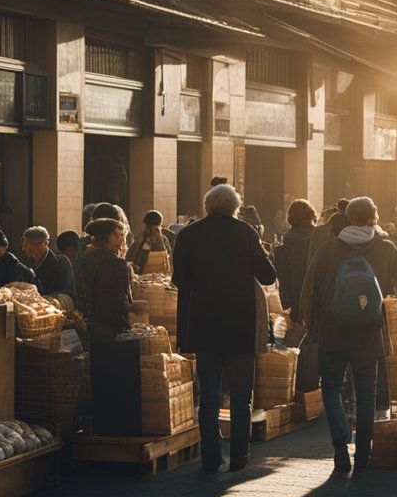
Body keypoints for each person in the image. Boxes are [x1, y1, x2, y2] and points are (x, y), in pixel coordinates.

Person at [299, 196, 397, 475]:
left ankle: (340, 444)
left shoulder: (329, 249)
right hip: (368, 334)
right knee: (366, 395)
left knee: (331, 387)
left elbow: (309, 290)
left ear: (348, 218)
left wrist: (312, 326)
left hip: (332, 332)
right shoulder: (385, 248)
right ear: (374, 217)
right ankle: (364, 454)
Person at [173, 185, 277, 474]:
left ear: (207, 205)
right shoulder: (245, 233)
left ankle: (210, 457)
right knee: (241, 397)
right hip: (239, 325)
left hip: (203, 325)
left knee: (208, 397)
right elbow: (268, 276)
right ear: (235, 207)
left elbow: (179, 278)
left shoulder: (189, 235)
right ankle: (239, 456)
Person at [80, 217, 132, 342]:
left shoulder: (86, 256)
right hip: (112, 325)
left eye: (121, 234)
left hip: (92, 321)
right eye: (116, 234)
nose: (121, 238)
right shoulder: (115, 263)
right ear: (104, 237)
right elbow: (120, 300)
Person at [273, 199, 317, 313]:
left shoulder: (286, 241)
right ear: (311, 216)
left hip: (293, 297)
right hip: (315, 295)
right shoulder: (318, 238)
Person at [21, 226, 74, 296]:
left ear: (42, 244)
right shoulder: (27, 264)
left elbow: (59, 294)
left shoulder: (61, 264)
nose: (23, 249)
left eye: (26, 245)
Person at [129, 210, 172, 275]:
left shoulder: (140, 239)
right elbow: (167, 255)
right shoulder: (164, 239)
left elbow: (130, 256)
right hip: (160, 275)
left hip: (140, 274)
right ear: (160, 224)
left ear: (145, 224)